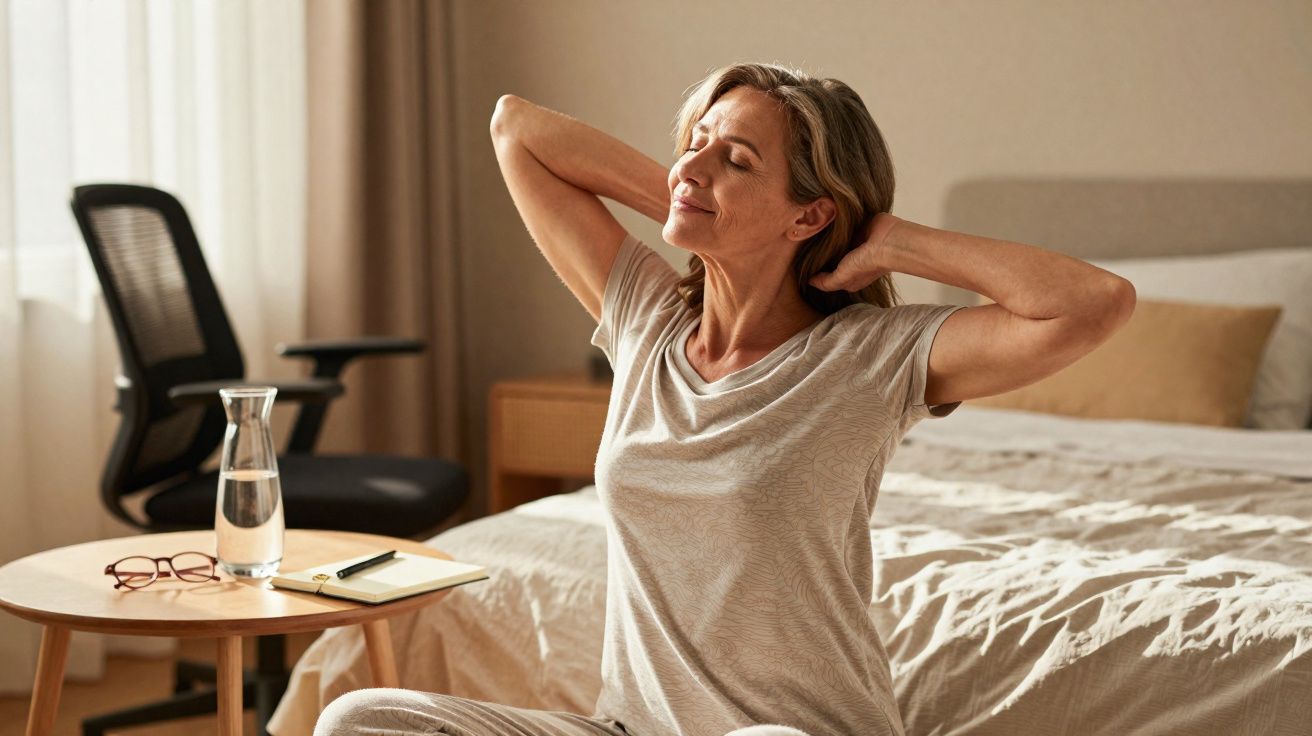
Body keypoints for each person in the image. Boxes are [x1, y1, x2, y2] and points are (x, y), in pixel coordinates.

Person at [315, 62, 1134, 736]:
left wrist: (892, 241)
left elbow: (1094, 302)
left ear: (811, 213)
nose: (696, 165)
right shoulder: (644, 315)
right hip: (628, 729)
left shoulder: (871, 356)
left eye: (738, 160)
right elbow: (515, 128)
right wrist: (692, 190)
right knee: (361, 719)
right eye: (694, 146)